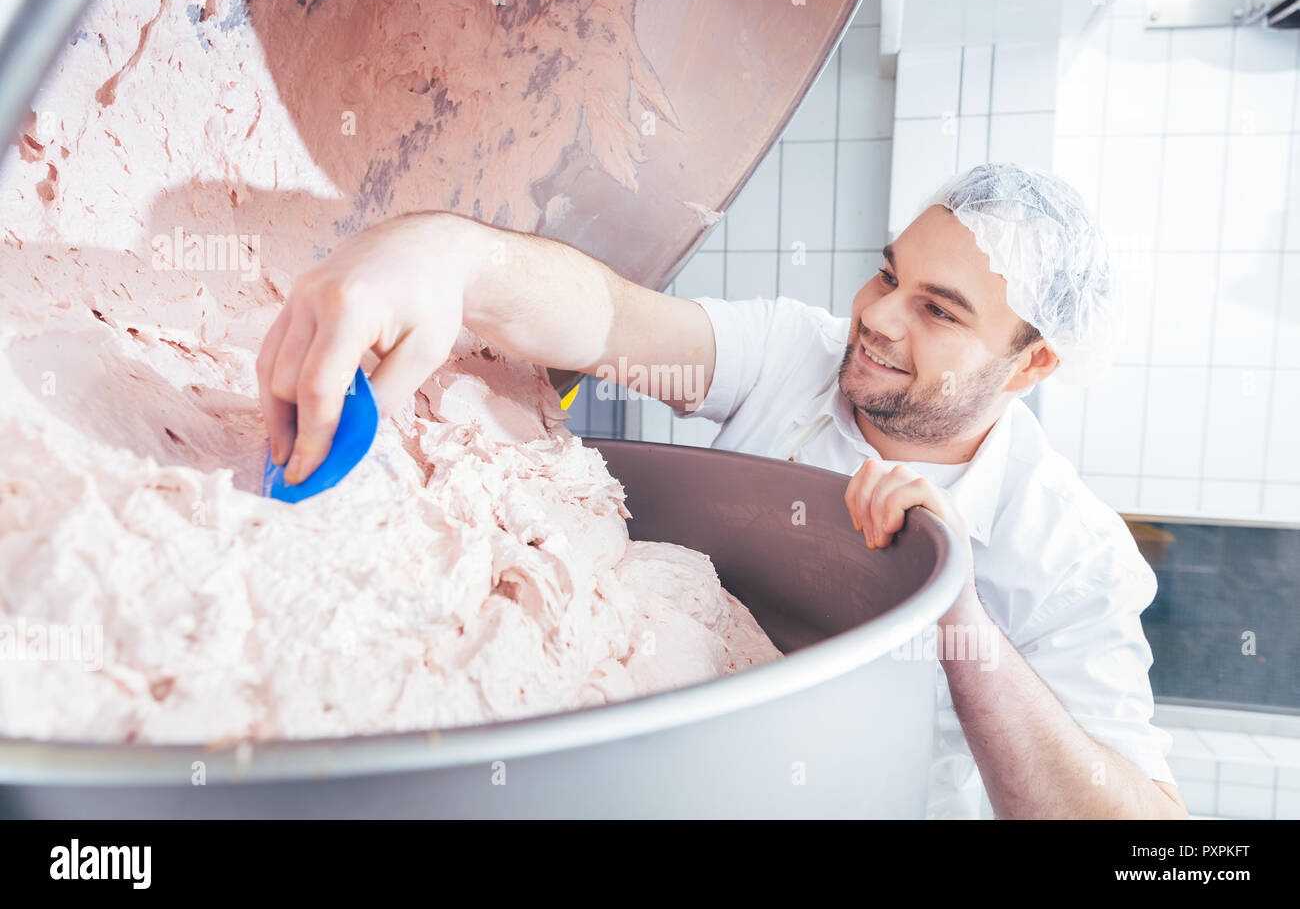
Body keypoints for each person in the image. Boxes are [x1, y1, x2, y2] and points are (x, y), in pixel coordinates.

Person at [257, 162, 1188, 818]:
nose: (874, 316)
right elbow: (614, 319)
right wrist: (448, 260)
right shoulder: (798, 356)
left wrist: (955, 612)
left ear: (1033, 364)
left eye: (937, 311)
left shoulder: (1071, 555)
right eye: (888, 274)